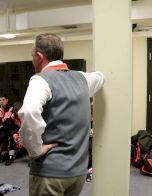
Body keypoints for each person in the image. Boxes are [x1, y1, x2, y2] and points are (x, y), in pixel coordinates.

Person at [18, 33, 104, 196]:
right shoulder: (83, 79)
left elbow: (29, 111)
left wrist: (35, 150)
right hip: (78, 173)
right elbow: (101, 77)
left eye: (32, 56)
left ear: (39, 56)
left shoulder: (40, 80)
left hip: (50, 174)